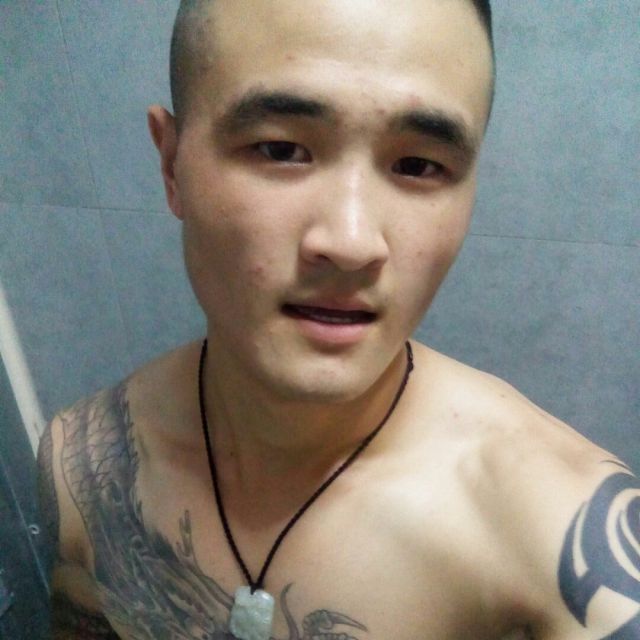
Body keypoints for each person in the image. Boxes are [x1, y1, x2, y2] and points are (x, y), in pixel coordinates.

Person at [37, 1, 640, 638]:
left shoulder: (556, 542)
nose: (352, 243)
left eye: (418, 165)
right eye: (281, 149)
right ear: (172, 165)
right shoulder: (82, 468)